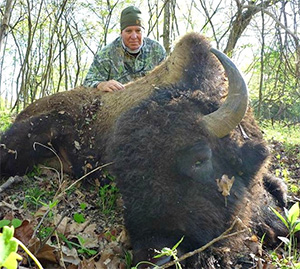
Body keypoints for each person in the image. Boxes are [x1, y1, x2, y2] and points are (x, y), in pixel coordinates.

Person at [83, 6, 166, 92]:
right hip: (118, 103)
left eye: (138, 31)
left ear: (143, 32)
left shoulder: (157, 50)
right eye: (129, 31)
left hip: (152, 100)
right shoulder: (106, 55)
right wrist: (102, 84)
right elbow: (88, 82)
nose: (134, 36)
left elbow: (167, 78)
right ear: (121, 32)